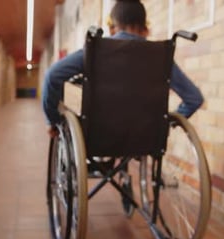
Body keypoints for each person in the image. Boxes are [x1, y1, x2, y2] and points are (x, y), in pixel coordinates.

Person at [41, 0, 204, 137]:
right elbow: (194, 98)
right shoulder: (161, 57)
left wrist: (53, 121)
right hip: (146, 135)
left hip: (99, 133)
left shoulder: (95, 51)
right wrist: (164, 123)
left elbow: (52, 76)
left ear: (113, 26)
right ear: (144, 26)